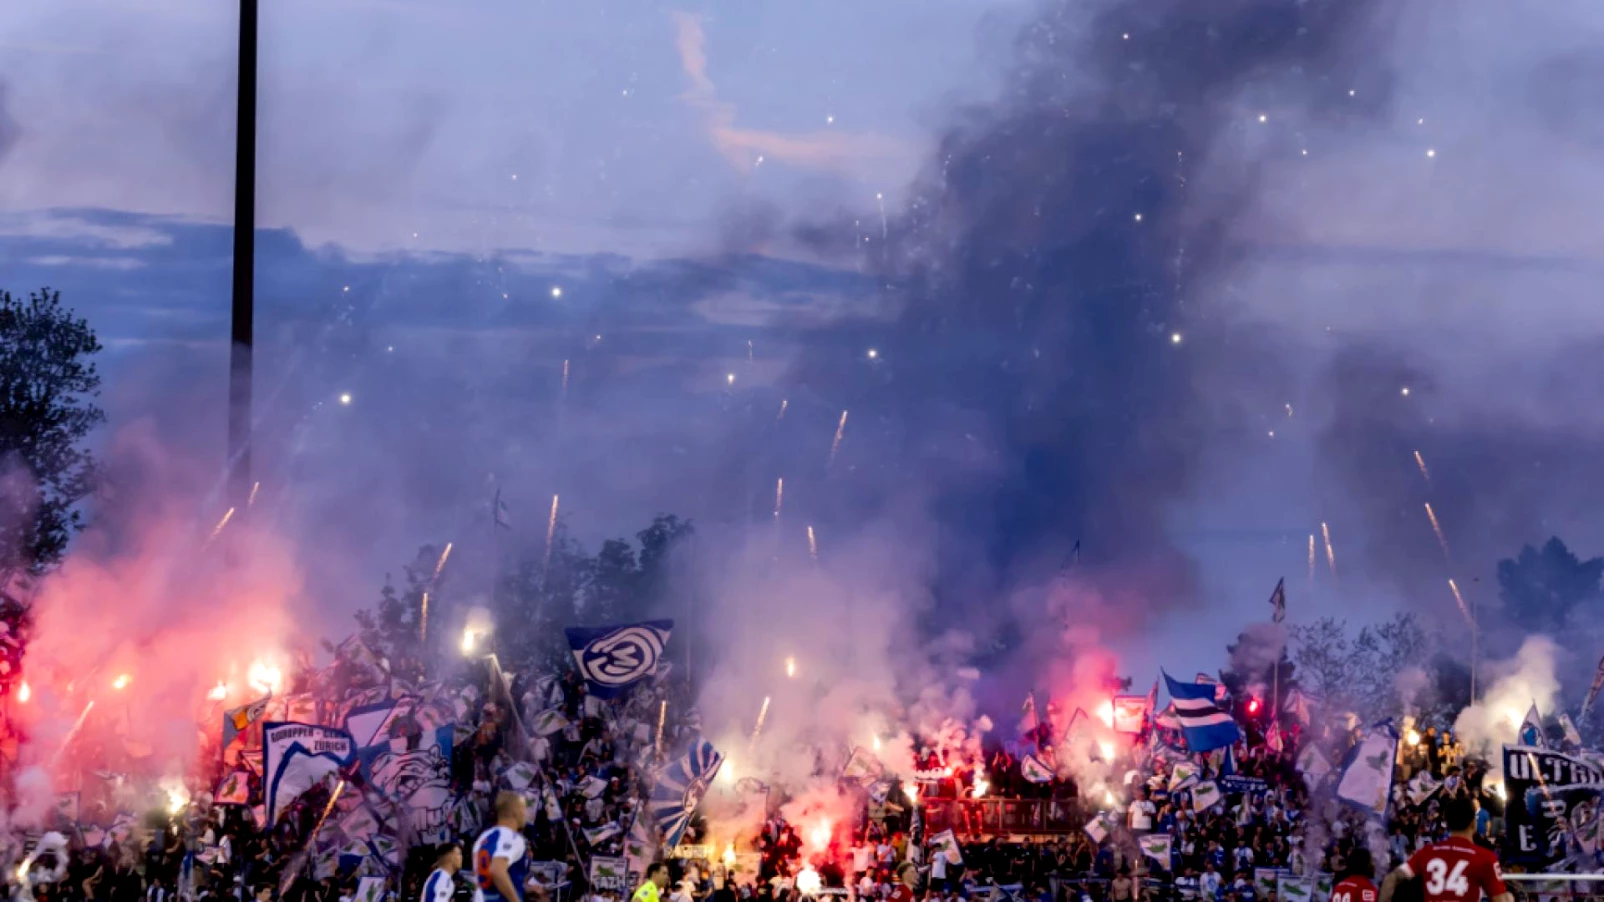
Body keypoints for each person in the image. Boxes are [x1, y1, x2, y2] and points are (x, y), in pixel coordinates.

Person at [1381, 797, 1512, 902]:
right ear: (1473, 823)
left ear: (1447, 823)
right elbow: (1499, 899)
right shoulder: (1485, 857)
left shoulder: (1427, 852)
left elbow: (1391, 879)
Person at [473, 792, 530, 902]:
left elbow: (482, 878)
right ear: (515, 811)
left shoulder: (483, 838)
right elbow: (497, 870)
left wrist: (527, 889)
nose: (526, 814)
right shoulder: (512, 837)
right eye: (524, 809)